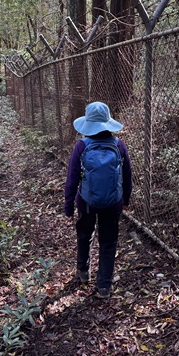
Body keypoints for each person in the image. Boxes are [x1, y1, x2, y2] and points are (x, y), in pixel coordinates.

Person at [64, 101, 132, 299]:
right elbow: (127, 176)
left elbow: (72, 179)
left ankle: (83, 272)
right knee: (108, 242)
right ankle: (104, 286)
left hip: (86, 202)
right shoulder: (119, 145)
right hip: (113, 203)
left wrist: (68, 207)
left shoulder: (81, 146)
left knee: (85, 235)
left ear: (88, 123)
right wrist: (125, 200)